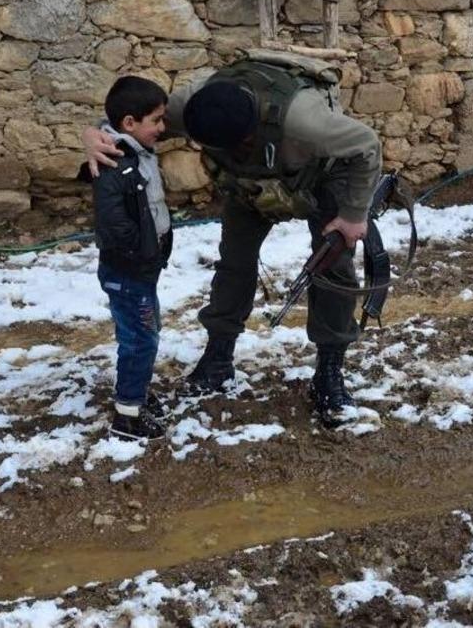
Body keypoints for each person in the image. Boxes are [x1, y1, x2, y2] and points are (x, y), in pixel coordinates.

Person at [83, 50, 382, 427]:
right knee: (234, 263)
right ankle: (218, 358)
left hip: (322, 175)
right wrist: (91, 136)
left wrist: (353, 215)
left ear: (250, 135)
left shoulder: (306, 123)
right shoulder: (194, 104)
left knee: (332, 266)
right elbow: (125, 121)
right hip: (249, 182)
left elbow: (367, 145)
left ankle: (329, 370)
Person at [82, 76, 174, 441]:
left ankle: (135, 393)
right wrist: (140, 252)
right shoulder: (113, 161)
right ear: (129, 123)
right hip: (130, 268)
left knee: (143, 331)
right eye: (156, 120)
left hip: (143, 267)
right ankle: (127, 417)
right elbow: (114, 223)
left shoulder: (138, 152)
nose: (163, 128)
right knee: (140, 339)